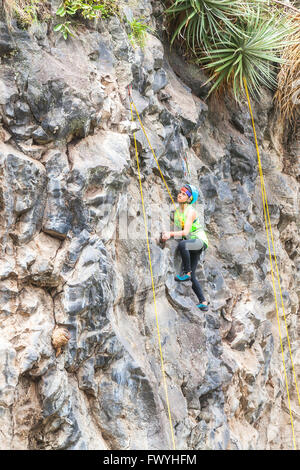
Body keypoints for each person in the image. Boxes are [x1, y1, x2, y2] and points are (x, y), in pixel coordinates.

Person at [161, 184, 209, 312]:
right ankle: (203, 302)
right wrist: (168, 235)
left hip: (199, 240)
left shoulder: (191, 212)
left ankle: (186, 273)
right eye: (180, 193)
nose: (180, 195)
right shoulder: (178, 213)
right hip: (192, 242)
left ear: (189, 199)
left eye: (184, 194)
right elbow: (179, 231)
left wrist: (170, 234)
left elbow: (185, 231)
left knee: (183, 245)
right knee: (193, 276)